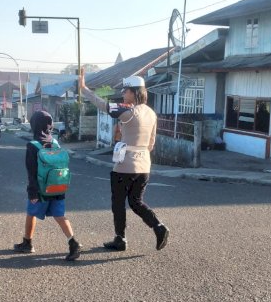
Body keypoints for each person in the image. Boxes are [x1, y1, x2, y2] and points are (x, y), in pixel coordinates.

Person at [79, 70, 169, 251]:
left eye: (125, 91)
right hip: (144, 165)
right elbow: (152, 142)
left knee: (118, 202)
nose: (122, 94)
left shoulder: (128, 111)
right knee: (136, 201)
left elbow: (103, 105)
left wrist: (84, 89)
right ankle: (158, 227)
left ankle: (120, 238)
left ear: (134, 92)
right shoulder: (151, 113)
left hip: (125, 166)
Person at [13, 110, 81, 261]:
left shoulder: (33, 146)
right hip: (57, 187)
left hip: (41, 190)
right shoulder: (55, 142)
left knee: (31, 214)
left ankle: (27, 243)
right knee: (60, 216)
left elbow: (31, 172)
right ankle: (73, 242)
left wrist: (32, 193)